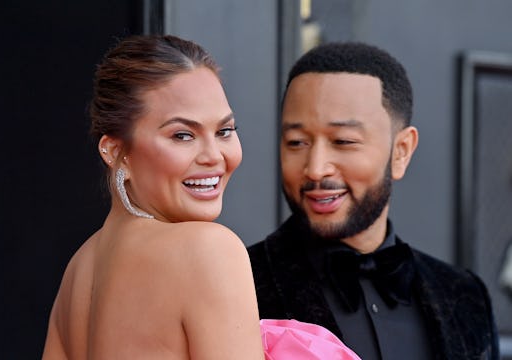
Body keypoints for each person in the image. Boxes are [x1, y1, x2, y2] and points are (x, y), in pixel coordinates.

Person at [41, 35, 360, 360]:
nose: (214, 156)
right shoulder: (207, 250)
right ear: (116, 151)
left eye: (224, 131)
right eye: (183, 135)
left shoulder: (79, 270)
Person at [248, 42, 500, 359]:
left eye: (343, 141)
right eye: (296, 142)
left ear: (401, 151)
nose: (315, 168)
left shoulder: (466, 296)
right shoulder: (241, 285)